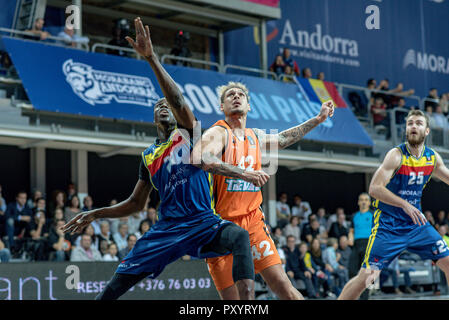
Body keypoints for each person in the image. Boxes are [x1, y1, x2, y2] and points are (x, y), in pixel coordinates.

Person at [63, 17, 255, 300]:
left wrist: (152, 58)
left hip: (203, 223)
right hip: (167, 230)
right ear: (153, 117)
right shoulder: (148, 156)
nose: (164, 106)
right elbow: (135, 204)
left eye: (167, 104)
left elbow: (177, 100)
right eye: (158, 105)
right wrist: (95, 213)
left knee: (238, 236)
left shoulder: (191, 134)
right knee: (110, 291)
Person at [191, 76, 334, 300]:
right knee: (238, 298)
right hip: (222, 227)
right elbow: (199, 157)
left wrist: (318, 119)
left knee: (283, 286)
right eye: (230, 95)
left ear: (249, 105)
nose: (236, 96)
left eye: (241, 95)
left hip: (253, 223)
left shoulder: (254, 136)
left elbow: (283, 138)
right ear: (222, 106)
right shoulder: (219, 133)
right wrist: (244, 173)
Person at [338, 109, 449, 300]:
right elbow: (374, 188)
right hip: (389, 226)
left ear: (427, 131)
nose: (413, 126)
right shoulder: (396, 155)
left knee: (448, 262)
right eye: (410, 123)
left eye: (418, 123)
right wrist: (404, 204)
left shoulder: (432, 158)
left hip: (416, 225)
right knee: (367, 277)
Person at [347, 192, 374, 293]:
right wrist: (350, 238)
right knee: (352, 270)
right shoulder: (354, 215)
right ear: (358, 202)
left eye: (366, 200)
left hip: (368, 244)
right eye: (361, 200)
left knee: (366, 273)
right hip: (356, 245)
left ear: (369, 203)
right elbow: (351, 230)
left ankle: (365, 296)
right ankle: (354, 293)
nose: (363, 202)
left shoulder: (373, 214)